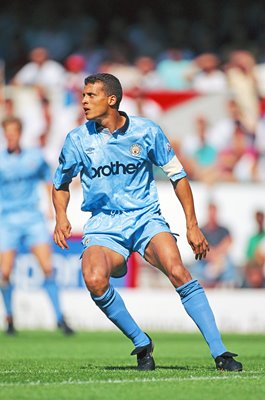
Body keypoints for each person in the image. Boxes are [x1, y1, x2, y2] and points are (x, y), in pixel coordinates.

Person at [52, 73, 242, 371]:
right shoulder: (77, 139)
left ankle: (221, 353)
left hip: (145, 220)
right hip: (104, 225)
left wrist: (192, 224)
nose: (84, 101)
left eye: (91, 95)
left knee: (178, 270)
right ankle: (142, 342)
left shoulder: (146, 131)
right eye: (84, 95)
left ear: (111, 100)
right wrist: (61, 216)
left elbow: (179, 176)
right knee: (94, 278)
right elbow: (60, 183)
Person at [0, 116, 74, 335]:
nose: (11, 136)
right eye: (8, 132)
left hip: (32, 218)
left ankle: (60, 319)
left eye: (14, 132)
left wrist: (51, 208)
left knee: (48, 268)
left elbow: (48, 179)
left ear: (19, 133)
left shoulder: (34, 156)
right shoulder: (1, 160)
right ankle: (10, 318)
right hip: (8, 219)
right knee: (4, 272)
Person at [189, 202, 237, 288]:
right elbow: (199, 247)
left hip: (220, 260)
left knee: (229, 268)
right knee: (195, 269)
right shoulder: (202, 230)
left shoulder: (224, 230)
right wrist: (213, 256)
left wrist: (216, 256)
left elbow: (228, 242)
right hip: (205, 259)